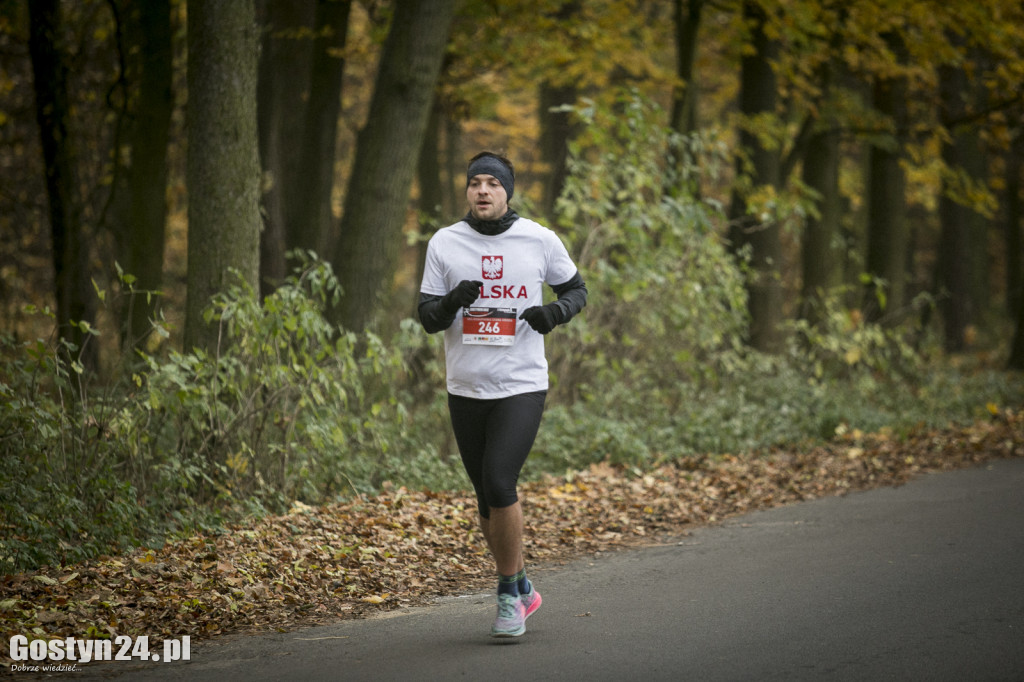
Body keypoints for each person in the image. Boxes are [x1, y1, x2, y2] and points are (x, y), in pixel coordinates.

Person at [417, 151, 587, 638]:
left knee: (498, 481)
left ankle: (508, 593)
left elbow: (576, 290)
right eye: (475, 183)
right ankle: (525, 586)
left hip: (521, 384)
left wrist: (553, 314)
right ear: (467, 191)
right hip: (466, 387)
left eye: (493, 183)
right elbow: (429, 318)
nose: (483, 191)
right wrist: (453, 300)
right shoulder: (445, 242)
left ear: (508, 190)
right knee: (485, 499)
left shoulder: (538, 239)